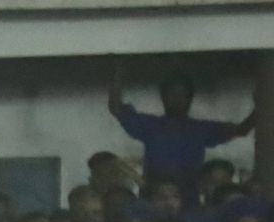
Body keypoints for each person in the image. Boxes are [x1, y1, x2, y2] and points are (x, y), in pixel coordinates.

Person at [106, 73, 253, 196]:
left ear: (190, 99)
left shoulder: (201, 129)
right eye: (172, 95)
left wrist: (260, 105)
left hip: (188, 198)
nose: (177, 100)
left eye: (182, 95)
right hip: (154, 198)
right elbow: (116, 108)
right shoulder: (150, 125)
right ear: (163, 97)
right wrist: (117, 68)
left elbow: (242, 130)